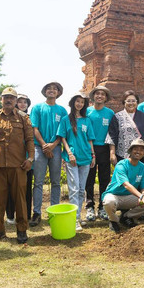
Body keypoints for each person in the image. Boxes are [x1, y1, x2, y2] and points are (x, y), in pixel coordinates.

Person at [0, 87, 34, 244]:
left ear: (15, 101)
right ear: (1, 99)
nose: (8, 100)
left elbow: (29, 140)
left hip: (18, 166)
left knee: (20, 199)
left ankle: (21, 230)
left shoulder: (23, 118)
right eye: (6, 97)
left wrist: (30, 158)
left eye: (12, 98)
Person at [30, 81, 68, 226]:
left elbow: (63, 131)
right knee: (38, 182)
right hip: (39, 147)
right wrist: (44, 145)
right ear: (45, 91)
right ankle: (37, 212)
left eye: (55, 89)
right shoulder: (38, 108)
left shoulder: (62, 110)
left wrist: (53, 145)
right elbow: (34, 128)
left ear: (58, 93)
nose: (52, 90)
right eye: (49, 88)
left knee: (56, 181)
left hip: (56, 148)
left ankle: (55, 210)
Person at [57, 93, 96, 231]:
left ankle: (78, 216)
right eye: (77, 101)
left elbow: (90, 139)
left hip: (86, 157)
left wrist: (93, 155)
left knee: (81, 189)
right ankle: (73, 220)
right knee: (73, 189)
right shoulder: (65, 120)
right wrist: (69, 153)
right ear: (73, 102)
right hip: (71, 158)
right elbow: (63, 139)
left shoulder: (87, 120)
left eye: (82, 102)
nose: (79, 104)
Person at [101, 139, 144, 233]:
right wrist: (141, 196)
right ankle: (113, 221)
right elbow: (126, 185)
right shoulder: (121, 165)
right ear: (130, 151)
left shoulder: (143, 167)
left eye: (141, 150)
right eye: (136, 149)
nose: (138, 151)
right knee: (109, 202)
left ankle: (127, 217)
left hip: (130, 197)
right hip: (114, 195)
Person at [107, 91, 144, 180]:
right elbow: (112, 137)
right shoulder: (117, 116)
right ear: (124, 102)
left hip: (141, 154)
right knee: (124, 180)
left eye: (133, 101)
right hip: (122, 155)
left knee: (141, 179)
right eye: (128, 101)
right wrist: (112, 153)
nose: (131, 103)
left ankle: (143, 194)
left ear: (137, 102)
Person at [84, 85, 115, 222]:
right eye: (97, 94)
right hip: (89, 148)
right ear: (93, 96)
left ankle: (102, 207)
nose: (100, 96)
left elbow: (112, 133)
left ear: (106, 97)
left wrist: (111, 151)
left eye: (103, 94)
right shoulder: (87, 112)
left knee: (104, 179)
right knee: (89, 178)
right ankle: (90, 206)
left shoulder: (110, 113)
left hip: (104, 149)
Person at [6, 93, 33, 225]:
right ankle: (10, 214)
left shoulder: (29, 118)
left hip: (27, 159)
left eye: (25, 102)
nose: (22, 104)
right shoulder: (8, 118)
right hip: (13, 158)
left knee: (27, 187)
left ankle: (26, 214)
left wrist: (31, 158)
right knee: (10, 188)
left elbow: (30, 140)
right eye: (20, 102)